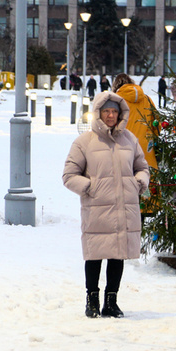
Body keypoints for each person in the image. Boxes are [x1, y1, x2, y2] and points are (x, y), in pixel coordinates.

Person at [62, 92, 150, 318]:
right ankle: (92, 300)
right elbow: (69, 175)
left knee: (117, 255)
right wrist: (91, 187)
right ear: (98, 113)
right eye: (106, 111)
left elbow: (142, 167)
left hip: (123, 206)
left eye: (114, 111)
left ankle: (112, 301)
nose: (111, 116)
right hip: (97, 208)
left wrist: (139, 182)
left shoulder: (129, 139)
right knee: (94, 254)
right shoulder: (84, 142)